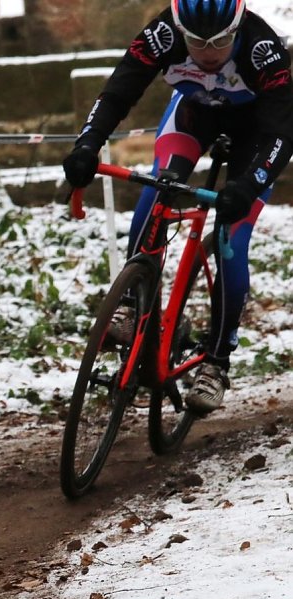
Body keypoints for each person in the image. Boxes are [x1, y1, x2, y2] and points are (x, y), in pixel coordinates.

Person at [63, 0, 293, 414]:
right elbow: (118, 92)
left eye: (221, 41)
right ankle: (137, 308)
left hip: (255, 135)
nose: (207, 52)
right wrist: (86, 145)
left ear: (238, 27)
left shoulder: (263, 48)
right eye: (196, 41)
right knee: (152, 199)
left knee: (231, 241)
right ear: (179, 29)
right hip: (193, 115)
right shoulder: (162, 33)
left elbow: (282, 134)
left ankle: (217, 362)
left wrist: (249, 185)